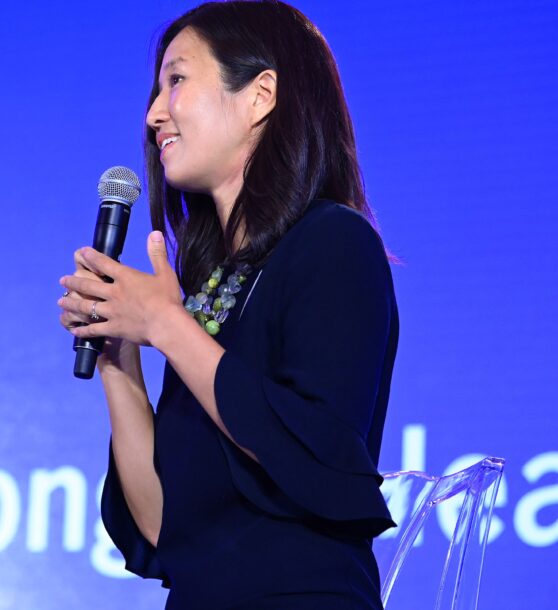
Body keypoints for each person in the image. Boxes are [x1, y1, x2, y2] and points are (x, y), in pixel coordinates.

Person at [57, 2, 397, 608]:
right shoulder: (217, 287)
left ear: (259, 95)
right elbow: (165, 527)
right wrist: (120, 355)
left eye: (177, 81)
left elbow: (317, 456)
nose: (154, 113)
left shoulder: (335, 242)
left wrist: (164, 323)